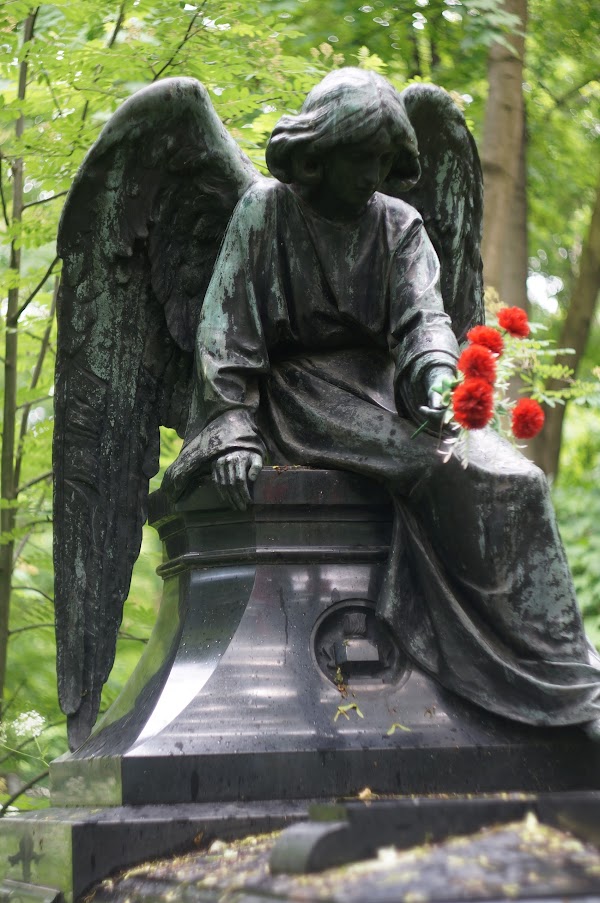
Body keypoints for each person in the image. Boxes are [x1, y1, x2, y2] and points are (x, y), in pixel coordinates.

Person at [164, 68, 600, 735]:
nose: (373, 173)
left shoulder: (399, 224)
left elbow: (426, 322)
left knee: (520, 480)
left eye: (382, 159)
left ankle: (561, 676)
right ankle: (545, 683)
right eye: (360, 157)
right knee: (440, 470)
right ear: (319, 154)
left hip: (390, 394)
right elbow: (226, 332)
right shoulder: (266, 212)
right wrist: (230, 424)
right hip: (302, 400)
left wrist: (438, 380)